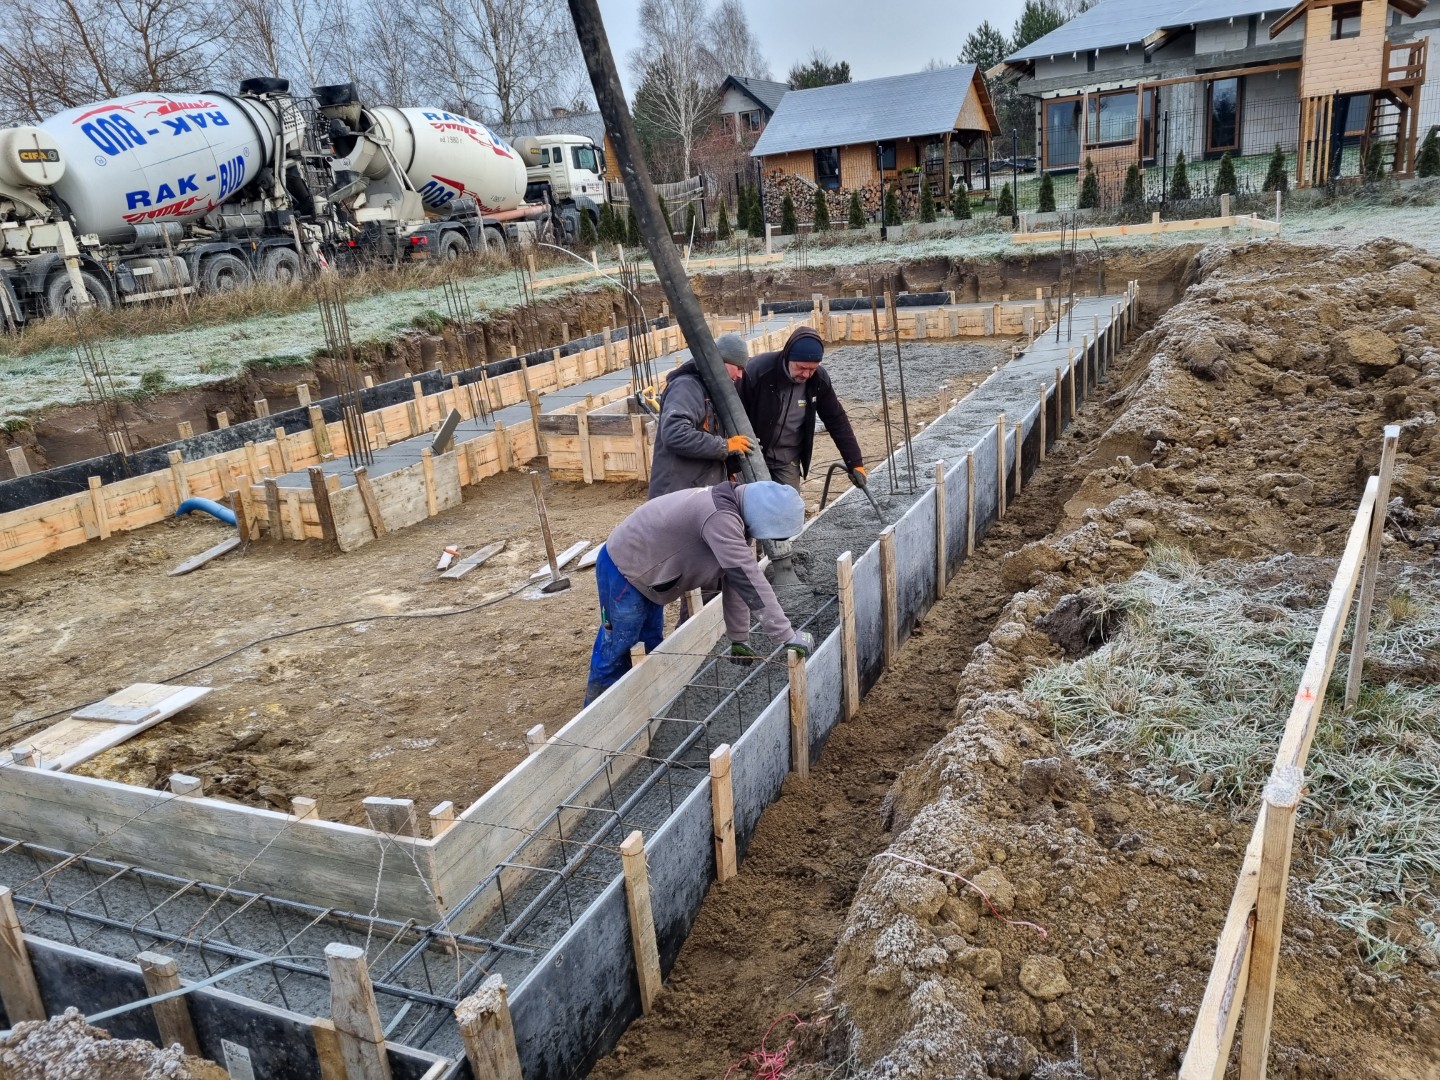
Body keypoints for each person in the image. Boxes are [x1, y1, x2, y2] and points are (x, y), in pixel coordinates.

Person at [584, 480, 813, 705]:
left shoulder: (736, 513)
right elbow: (749, 581)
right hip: (624, 568)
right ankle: (596, 714)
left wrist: (739, 636)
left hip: (649, 570)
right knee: (617, 646)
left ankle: (639, 707)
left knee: (649, 640)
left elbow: (736, 580)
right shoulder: (720, 518)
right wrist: (787, 636)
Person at [739, 325, 866, 493]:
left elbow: (836, 419)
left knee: (789, 504)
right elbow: (734, 413)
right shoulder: (759, 370)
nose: (806, 374)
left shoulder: (818, 380)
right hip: (753, 455)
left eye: (812, 369)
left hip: (787, 458)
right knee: (753, 501)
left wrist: (855, 462)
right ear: (788, 357)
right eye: (801, 368)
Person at [647, 333, 752, 499]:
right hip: (676, 494)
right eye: (738, 367)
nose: (740, 375)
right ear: (720, 362)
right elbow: (675, 434)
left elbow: (708, 444)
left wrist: (733, 459)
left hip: (696, 491)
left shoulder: (712, 390)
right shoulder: (686, 387)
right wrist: (725, 446)